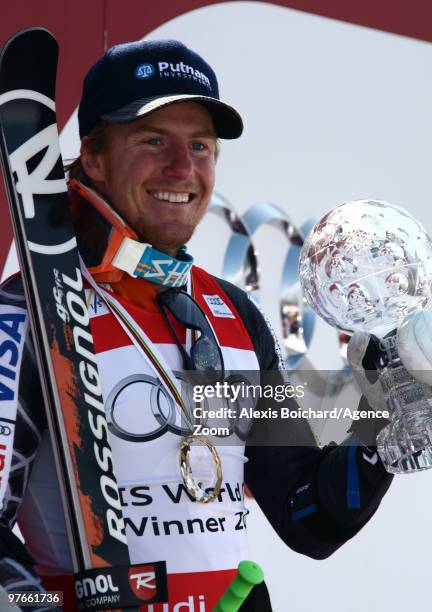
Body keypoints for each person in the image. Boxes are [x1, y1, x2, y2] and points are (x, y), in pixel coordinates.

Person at [0, 38, 417, 611]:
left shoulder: (229, 317)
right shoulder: (25, 314)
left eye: (200, 145)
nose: (183, 168)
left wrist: (383, 417)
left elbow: (308, 515)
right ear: (93, 157)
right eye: (154, 141)